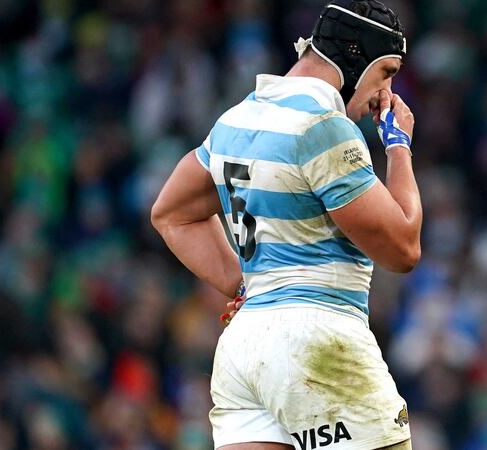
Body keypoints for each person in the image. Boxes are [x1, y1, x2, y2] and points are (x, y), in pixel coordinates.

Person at [150, 1, 421, 449]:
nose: (385, 92)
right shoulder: (324, 126)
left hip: (243, 350)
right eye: (386, 72)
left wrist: (247, 287)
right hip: (317, 341)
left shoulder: (234, 121)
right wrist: (398, 147)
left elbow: (171, 213)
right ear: (356, 58)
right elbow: (403, 249)